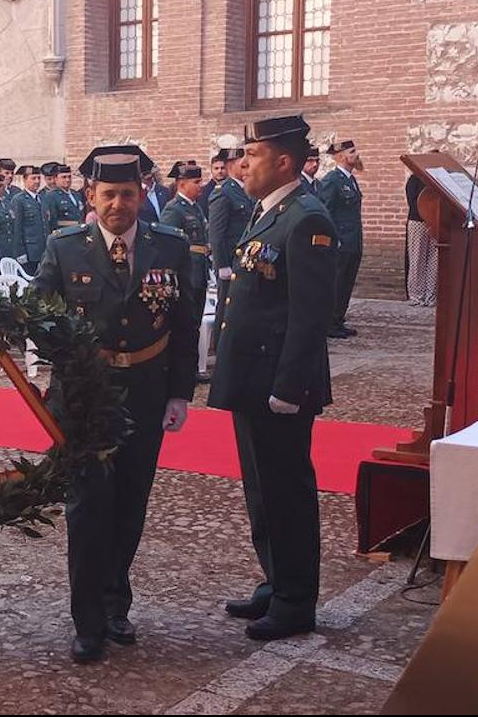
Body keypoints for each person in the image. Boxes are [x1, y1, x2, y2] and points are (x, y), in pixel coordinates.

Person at [33, 146, 197, 664]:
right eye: (108, 195)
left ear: (142, 194)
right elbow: (38, 316)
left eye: (127, 194)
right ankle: (87, 620)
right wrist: (50, 375)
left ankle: (115, 602)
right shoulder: (65, 248)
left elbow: (185, 325)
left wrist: (179, 392)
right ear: (92, 196)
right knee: (86, 507)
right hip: (83, 396)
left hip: (145, 393)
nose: (118, 205)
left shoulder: (169, 246)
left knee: (130, 502)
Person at [208, 115, 338, 642]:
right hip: (252, 377)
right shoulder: (270, 212)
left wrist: (288, 387)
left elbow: (309, 316)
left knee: (287, 490)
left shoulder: (307, 219)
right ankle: (275, 578)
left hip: (279, 385)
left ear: (283, 161)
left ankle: (296, 599)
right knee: (261, 489)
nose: (243, 164)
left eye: (252, 155)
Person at [319, 140, 364, 338]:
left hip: (353, 240)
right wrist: (333, 238)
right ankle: (329, 322)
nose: (356, 155)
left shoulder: (350, 180)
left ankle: (339, 319)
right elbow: (326, 211)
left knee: (346, 282)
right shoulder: (332, 180)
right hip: (340, 241)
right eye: (352, 152)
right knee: (337, 282)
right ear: (340, 156)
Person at [208, 147, 255, 334]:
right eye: (238, 162)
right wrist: (222, 265)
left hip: (245, 258)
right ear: (228, 166)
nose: (244, 165)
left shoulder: (246, 189)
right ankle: (221, 346)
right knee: (227, 306)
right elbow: (217, 233)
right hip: (230, 259)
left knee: (243, 307)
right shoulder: (223, 192)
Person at [160, 162, 211, 326]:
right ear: (182, 184)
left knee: (196, 320)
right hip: (187, 273)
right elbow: (167, 245)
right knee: (187, 321)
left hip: (199, 271)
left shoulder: (196, 208)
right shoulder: (174, 209)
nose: (200, 186)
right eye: (196, 182)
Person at [405, 168, 436, 307]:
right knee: (417, 258)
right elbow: (412, 201)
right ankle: (417, 295)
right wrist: (426, 215)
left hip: (437, 222)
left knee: (434, 260)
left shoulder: (439, 180)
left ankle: (431, 295)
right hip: (418, 221)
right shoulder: (415, 179)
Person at [12, 165, 49, 273]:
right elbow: (17, 228)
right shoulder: (19, 200)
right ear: (24, 180)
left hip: (43, 249)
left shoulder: (42, 198)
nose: (37, 181)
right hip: (29, 251)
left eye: (38, 178)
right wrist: (20, 252)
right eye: (33, 178)